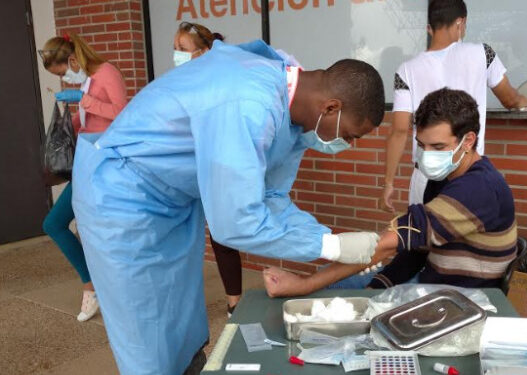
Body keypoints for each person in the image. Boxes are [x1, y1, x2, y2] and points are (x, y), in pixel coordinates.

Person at [71, 38, 385, 374]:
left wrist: (327, 238)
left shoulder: (296, 121)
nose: (347, 145)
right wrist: (331, 245)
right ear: (331, 108)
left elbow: (271, 198)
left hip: (174, 199)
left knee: (180, 318)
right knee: (146, 331)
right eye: (351, 135)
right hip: (122, 197)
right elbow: (237, 222)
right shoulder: (249, 102)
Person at [264, 88, 517, 297]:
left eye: (438, 146)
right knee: (339, 289)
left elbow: (385, 246)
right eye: (421, 145)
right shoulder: (446, 176)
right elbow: (415, 249)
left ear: (468, 140)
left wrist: (304, 283)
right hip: (430, 278)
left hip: (457, 298)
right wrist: (380, 285)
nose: (427, 155)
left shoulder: (479, 189)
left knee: (320, 295)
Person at [382, 0, 527, 212]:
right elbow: (510, 99)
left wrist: (388, 183)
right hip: (466, 171)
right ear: (461, 23)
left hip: (425, 174)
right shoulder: (482, 54)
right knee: (464, 241)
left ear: (429, 29)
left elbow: (398, 130)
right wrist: (525, 101)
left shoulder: (406, 70)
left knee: (422, 235)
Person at [38, 33, 127, 322]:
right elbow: (92, 118)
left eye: (63, 71)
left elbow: (123, 114)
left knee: (62, 224)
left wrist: (84, 101)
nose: (66, 76)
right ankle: (94, 285)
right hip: (88, 162)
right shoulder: (90, 78)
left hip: (104, 164)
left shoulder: (106, 72)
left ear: (73, 59)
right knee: (61, 225)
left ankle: (94, 287)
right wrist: (69, 122)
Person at [173, 21, 245, 318]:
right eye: (174, 48)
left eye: (182, 49)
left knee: (221, 235)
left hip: (217, 164)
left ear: (203, 52)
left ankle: (235, 304)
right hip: (185, 165)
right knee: (182, 235)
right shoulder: (180, 81)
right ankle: (182, 302)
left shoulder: (219, 81)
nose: (176, 54)